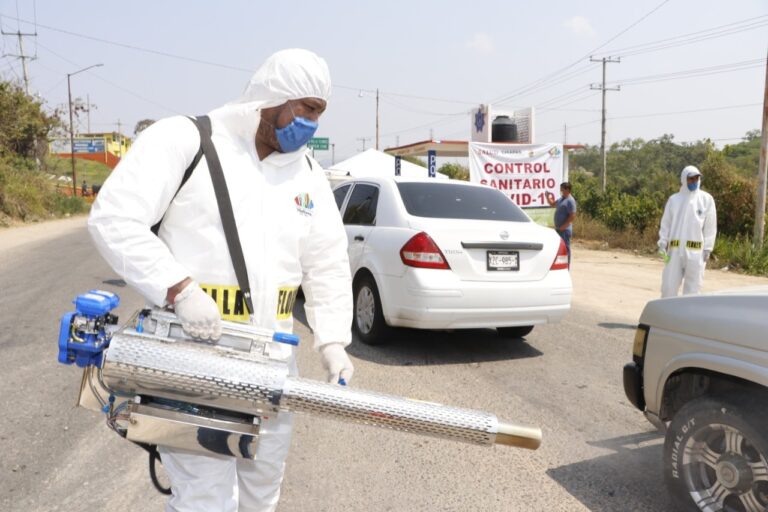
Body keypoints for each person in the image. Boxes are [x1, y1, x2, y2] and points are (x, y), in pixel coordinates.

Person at [88, 49, 354, 512]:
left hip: (273, 364)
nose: (311, 123)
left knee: (261, 493)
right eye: (306, 108)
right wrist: (179, 289)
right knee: (206, 500)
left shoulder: (308, 175)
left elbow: (327, 263)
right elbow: (114, 219)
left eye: (319, 113)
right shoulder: (188, 140)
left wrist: (333, 343)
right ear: (274, 97)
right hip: (194, 358)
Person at [657, 165, 717, 298]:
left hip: (696, 253)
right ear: (684, 179)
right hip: (674, 252)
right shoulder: (674, 200)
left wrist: (708, 248)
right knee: (668, 287)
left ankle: (687, 316)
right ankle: (667, 316)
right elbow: (665, 223)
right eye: (691, 179)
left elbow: (710, 226)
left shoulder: (706, 200)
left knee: (693, 290)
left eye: (696, 178)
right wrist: (662, 242)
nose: (694, 182)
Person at [547, 181, 577, 266]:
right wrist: (547, 197)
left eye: (562, 189)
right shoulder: (561, 199)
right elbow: (552, 204)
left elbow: (572, 216)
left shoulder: (570, 201)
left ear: (567, 189)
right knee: (559, 249)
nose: (561, 191)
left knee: (566, 249)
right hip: (559, 229)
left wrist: (564, 227)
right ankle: (560, 266)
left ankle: (566, 268)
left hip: (565, 230)